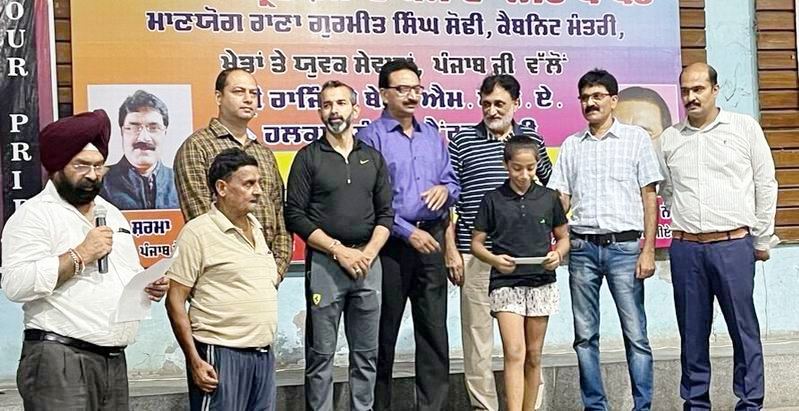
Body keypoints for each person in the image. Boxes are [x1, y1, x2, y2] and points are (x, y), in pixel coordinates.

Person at [1, 110, 169, 410]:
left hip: (113, 360)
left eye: (98, 166)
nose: (92, 175)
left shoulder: (112, 213)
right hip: (60, 360)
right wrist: (80, 254)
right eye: (81, 165)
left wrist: (148, 285)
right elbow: (16, 285)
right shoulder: (34, 215)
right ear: (57, 167)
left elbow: (125, 273)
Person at [656, 63, 777, 410]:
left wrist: (761, 238)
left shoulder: (744, 128)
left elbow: (765, 183)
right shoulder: (669, 139)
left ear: (715, 90)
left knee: (743, 329)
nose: (691, 97)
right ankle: (695, 403)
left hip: (733, 245)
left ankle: (750, 403)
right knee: (692, 334)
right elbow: (666, 190)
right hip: (687, 249)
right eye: (685, 91)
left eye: (698, 89)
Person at [548, 69, 663, 411]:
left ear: (613, 100)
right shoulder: (572, 145)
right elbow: (561, 199)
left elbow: (649, 197)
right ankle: (595, 406)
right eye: (585, 97)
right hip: (582, 249)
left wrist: (648, 250)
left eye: (597, 96)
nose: (590, 103)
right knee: (585, 337)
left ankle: (642, 406)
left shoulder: (636, 140)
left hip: (625, 250)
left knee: (636, 335)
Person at [444, 74, 554, 411]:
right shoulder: (462, 141)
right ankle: (484, 407)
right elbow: (448, 199)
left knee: (527, 348)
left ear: (516, 104)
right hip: (476, 255)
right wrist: (451, 249)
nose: (492, 110)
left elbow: (553, 191)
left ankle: (530, 406)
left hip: (527, 262)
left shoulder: (532, 142)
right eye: (486, 103)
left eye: (500, 104)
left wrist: (551, 240)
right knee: (478, 341)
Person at [285, 80, 394, 411]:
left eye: (341, 103)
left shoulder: (372, 158)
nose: (334, 110)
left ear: (355, 110)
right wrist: (339, 250)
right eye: (327, 104)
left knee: (367, 354)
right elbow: (295, 215)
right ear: (320, 112)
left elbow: (386, 214)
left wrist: (367, 254)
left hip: (368, 264)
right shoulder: (308, 158)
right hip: (325, 265)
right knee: (321, 354)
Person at [359, 59, 460, 411]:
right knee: (382, 333)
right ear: (384, 94)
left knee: (433, 331)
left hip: (431, 240)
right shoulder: (370, 137)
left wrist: (445, 191)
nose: (412, 95)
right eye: (402, 89)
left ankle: (432, 406)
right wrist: (406, 231)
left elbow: (452, 182)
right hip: (389, 244)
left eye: (416, 88)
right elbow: (370, 198)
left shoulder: (431, 134)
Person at [165, 148, 280, 411]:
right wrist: (194, 360)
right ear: (222, 188)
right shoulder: (198, 232)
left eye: (259, 183)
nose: (258, 191)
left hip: (263, 355)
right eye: (248, 184)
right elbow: (175, 301)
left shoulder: (257, 228)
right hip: (220, 354)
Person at [470, 135, 569, 411]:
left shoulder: (549, 198)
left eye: (530, 168)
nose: (524, 175)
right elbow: (476, 243)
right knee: (514, 352)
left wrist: (557, 255)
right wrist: (494, 260)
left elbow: (563, 237)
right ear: (506, 165)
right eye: (517, 168)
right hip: (506, 283)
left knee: (534, 355)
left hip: (541, 282)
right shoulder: (493, 199)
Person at [174, 68, 291, 280]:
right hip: (221, 275)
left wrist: (275, 272)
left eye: (253, 93)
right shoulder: (197, 147)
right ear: (219, 97)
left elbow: (280, 219)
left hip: (266, 275)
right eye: (239, 91)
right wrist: (239, 270)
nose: (248, 99)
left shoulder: (264, 153)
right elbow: (200, 219)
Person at [100, 90, 180, 209]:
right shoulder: (101, 182)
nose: (143, 138)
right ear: (122, 132)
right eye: (134, 128)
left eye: (153, 128)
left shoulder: (181, 181)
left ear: (165, 132)